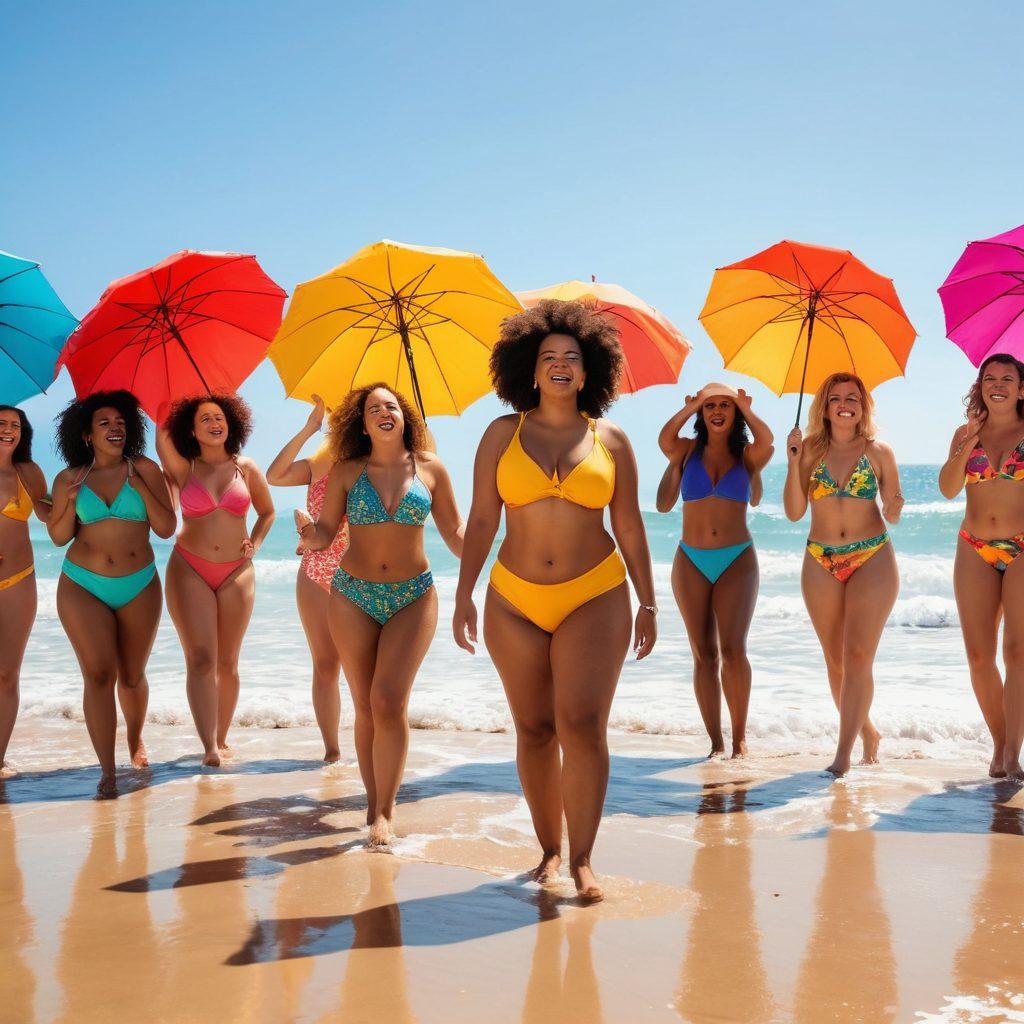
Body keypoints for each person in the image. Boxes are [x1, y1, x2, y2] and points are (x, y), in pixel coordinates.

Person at [453, 299, 657, 901]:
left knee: (583, 725)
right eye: (549, 358)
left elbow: (631, 526)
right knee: (535, 729)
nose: (561, 366)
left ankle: (584, 860)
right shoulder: (500, 434)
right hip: (512, 599)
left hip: (594, 592)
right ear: (530, 369)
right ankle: (547, 851)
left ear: (590, 369)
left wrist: (647, 600)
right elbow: (483, 519)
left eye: (572, 357)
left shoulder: (611, 438)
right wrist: (463, 594)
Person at [296, 384, 463, 847]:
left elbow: (456, 532)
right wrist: (309, 536)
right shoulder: (347, 471)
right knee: (366, 705)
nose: (384, 412)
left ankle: (386, 811)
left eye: (391, 406)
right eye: (373, 409)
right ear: (362, 423)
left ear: (404, 416)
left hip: (413, 595)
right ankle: (373, 809)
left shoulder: (431, 469)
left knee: (390, 701)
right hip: (352, 595)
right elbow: (327, 533)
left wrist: (498, 552)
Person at [48, 391, 176, 797]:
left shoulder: (144, 468)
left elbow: (166, 527)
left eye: (120, 423)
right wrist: (67, 504)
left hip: (139, 583)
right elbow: (57, 536)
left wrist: (142, 487)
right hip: (82, 583)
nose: (114, 428)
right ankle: (107, 770)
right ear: (86, 435)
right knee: (99, 674)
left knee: (132, 675)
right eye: (104, 423)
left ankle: (135, 739)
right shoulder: (70, 479)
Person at [783, 373, 902, 777]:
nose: (845, 404)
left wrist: (897, 505)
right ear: (825, 406)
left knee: (857, 657)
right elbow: (795, 512)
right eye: (836, 398)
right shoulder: (811, 451)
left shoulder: (878, 451)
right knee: (835, 660)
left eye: (853, 397)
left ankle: (843, 754)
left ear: (863, 405)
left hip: (872, 557)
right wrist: (792, 460)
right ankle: (867, 732)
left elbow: (893, 502)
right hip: (820, 557)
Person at [656, 383, 774, 758]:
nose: (717, 411)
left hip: (737, 558)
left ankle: (739, 740)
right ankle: (715, 743)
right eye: (711, 407)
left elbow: (768, 439)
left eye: (725, 406)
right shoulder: (687, 450)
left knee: (734, 649)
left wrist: (744, 405)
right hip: (690, 559)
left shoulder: (748, 455)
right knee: (703, 654)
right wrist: (691, 407)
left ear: (735, 412)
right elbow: (665, 436)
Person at [157, 393, 275, 767]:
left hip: (236, 572)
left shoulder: (247, 468)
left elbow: (268, 512)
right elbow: (161, 438)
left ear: (231, 424)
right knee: (202, 660)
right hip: (190, 567)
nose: (214, 423)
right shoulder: (183, 467)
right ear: (191, 429)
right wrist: (169, 394)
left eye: (219, 417)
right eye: (205, 418)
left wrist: (254, 543)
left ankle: (222, 738)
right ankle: (208, 746)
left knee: (228, 662)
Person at [938, 353, 1024, 779]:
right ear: (980, 386)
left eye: (1008, 378)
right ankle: (1000, 741)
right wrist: (967, 443)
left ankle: (1013, 754)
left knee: (1017, 652)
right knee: (978, 656)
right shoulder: (964, 432)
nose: (999, 384)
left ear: (1021, 388)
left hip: (1023, 548)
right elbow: (948, 488)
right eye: (990, 377)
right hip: (973, 547)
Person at [267, 394, 349, 763]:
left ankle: (379, 747)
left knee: (370, 671)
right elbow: (275, 475)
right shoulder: (319, 463)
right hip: (317, 571)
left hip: (362, 574)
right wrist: (309, 427)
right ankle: (332, 753)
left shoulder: (379, 461)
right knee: (326, 665)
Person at [0, 406, 50, 774]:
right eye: (1, 424)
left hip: (19, 579)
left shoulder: (29, 472)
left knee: (7, 673)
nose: (8, 430)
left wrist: (75, 487)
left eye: (15, 425)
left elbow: (51, 514)